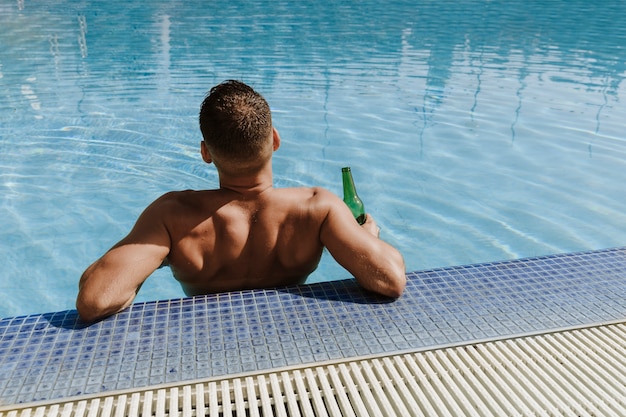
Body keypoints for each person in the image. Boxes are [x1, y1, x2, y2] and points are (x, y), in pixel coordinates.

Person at [76, 80, 406, 322]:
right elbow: (391, 279)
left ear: (206, 153)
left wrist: (146, 267)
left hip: (207, 349)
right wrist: (365, 238)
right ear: (274, 140)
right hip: (291, 341)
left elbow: (94, 299)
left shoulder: (172, 218)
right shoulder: (317, 208)